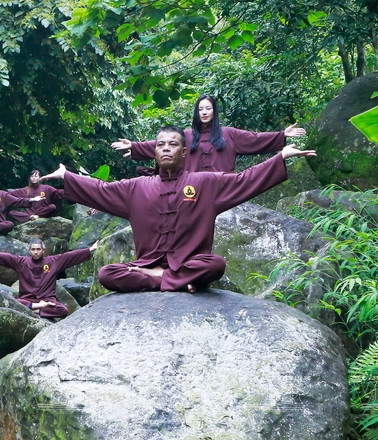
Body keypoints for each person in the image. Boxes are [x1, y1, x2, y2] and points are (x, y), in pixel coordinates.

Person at [41, 125, 316, 293]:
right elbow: (101, 190)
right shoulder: (136, 187)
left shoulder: (204, 182)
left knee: (215, 264)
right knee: (106, 274)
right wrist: (68, 177)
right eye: (160, 145)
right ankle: (172, 280)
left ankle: (161, 278)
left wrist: (279, 157)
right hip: (145, 265)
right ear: (154, 152)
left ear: (184, 152)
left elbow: (244, 180)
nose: (166, 149)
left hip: (189, 263)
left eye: (173, 144)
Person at [111, 94, 307, 174]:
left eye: (208, 108)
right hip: (191, 190)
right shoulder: (187, 135)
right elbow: (166, 144)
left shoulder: (228, 134)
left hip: (222, 188)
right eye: (201, 109)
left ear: (214, 111)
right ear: (197, 112)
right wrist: (135, 147)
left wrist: (282, 135)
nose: (204, 112)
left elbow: (255, 139)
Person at [0, 238, 96, 319]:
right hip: (27, 299)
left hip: (47, 300)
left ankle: (32, 309)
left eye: (38, 249)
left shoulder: (53, 261)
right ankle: (36, 307)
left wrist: (91, 249)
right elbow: (3, 257)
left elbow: (71, 256)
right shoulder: (21, 262)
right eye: (33, 249)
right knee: (12, 300)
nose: (35, 252)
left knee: (63, 310)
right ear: (29, 250)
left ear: (43, 250)